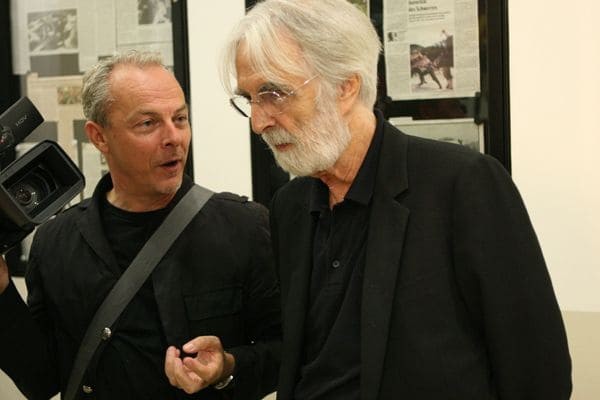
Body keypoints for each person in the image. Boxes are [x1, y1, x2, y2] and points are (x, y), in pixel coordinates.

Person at [221, 1, 572, 399]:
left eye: (274, 93)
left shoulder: (462, 185)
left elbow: (539, 372)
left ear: (345, 86)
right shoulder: (290, 207)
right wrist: (231, 365)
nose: (258, 122)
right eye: (250, 98)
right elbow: (305, 355)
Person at [0, 50, 281, 399]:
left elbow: (286, 351)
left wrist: (227, 367)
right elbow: (41, 381)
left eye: (180, 119)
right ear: (99, 137)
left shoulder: (244, 227)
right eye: (148, 123)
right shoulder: (56, 241)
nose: (173, 137)